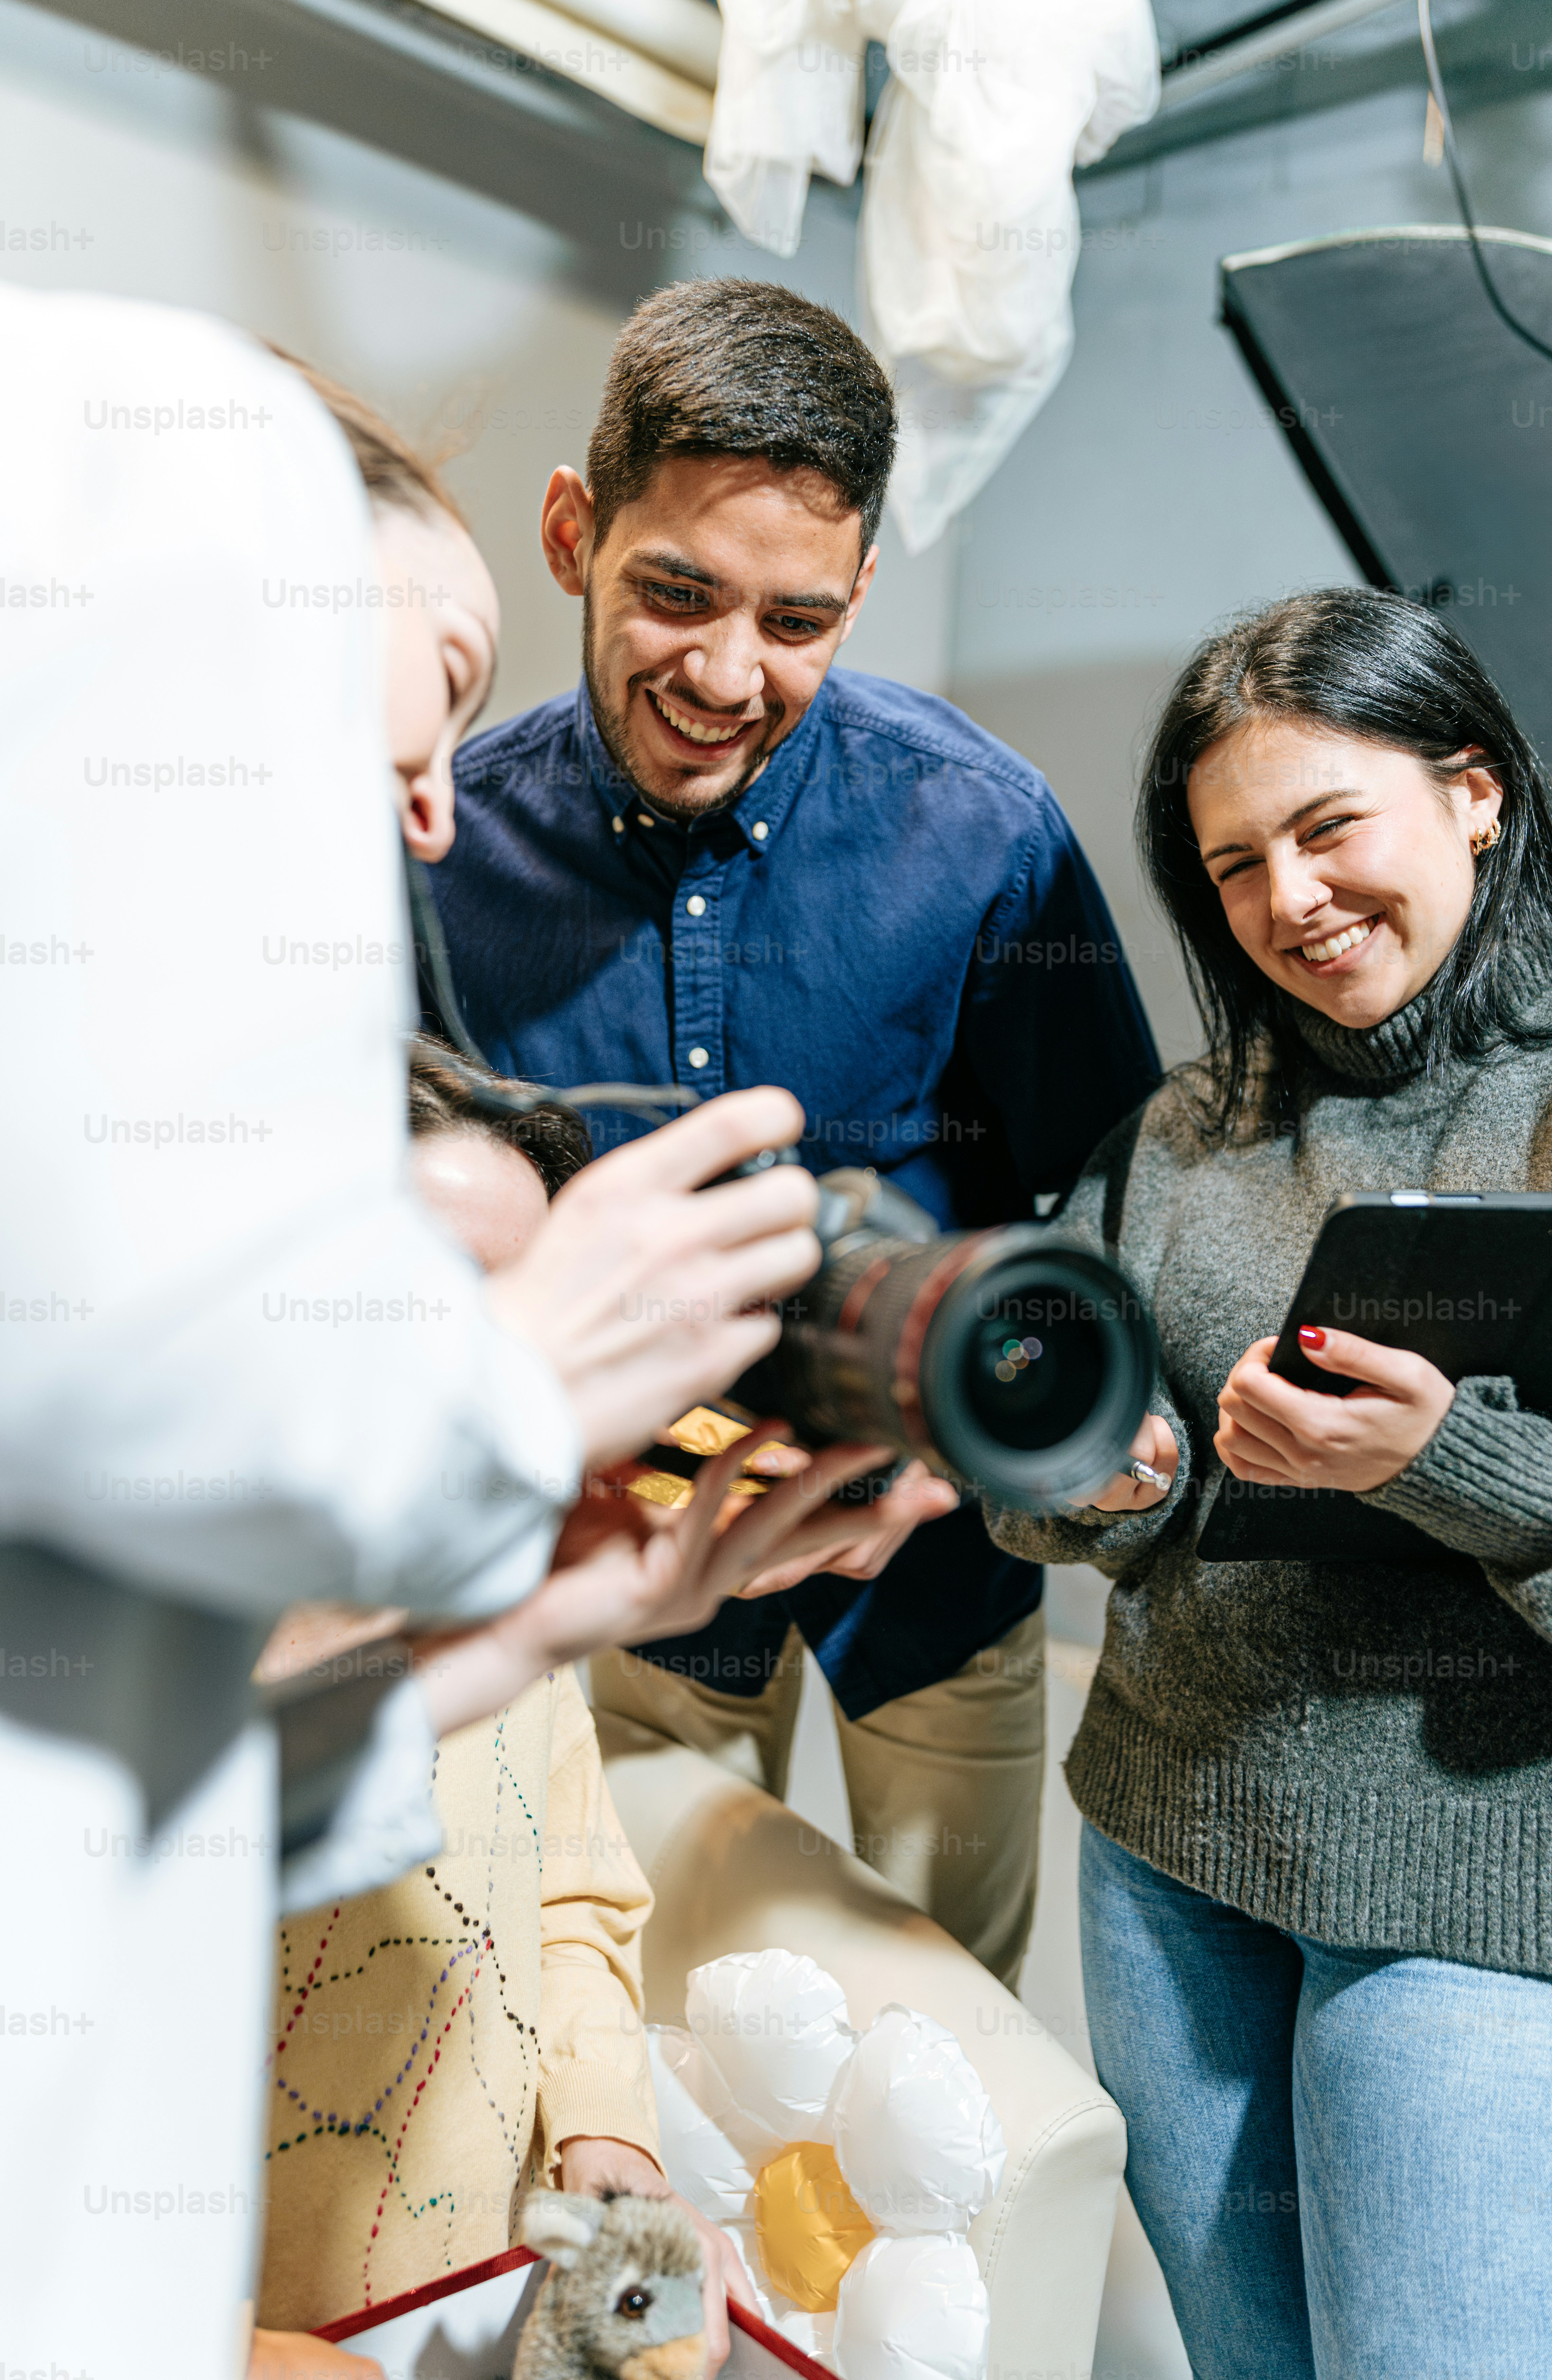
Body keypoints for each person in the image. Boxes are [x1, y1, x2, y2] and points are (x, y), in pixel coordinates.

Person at [0, 285, 885, 2380]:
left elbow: (124, 1809)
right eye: (445, 680)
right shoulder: (159, 431)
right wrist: (519, 1382)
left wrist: (556, 1618)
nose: (435, 813)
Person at [426, 277, 1161, 1985]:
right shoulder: (442, 862)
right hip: (633, 1562)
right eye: (677, 592)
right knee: (646, 1997)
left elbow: (1112, 1183)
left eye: (796, 621)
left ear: (859, 596)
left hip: (942, 1555)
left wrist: (973, 1453)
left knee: (947, 2020)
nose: (725, 675)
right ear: (572, 534)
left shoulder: (980, 828)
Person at [988, 587, 1552, 2378]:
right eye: (1237, 866)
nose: (1293, 901)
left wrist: (1443, 1463)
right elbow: (1032, 1437)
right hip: (1174, 1864)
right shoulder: (1183, 1131)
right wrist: (1103, 1480)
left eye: (1330, 828)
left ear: (1473, 792)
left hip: (1475, 1902)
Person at [250, 1043, 753, 2380]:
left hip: (464, 2293)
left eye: (526, 1310)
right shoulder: (143, 1630)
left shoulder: (511, 1572)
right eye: (432, 1293)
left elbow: (569, 1898)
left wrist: (609, 2147)